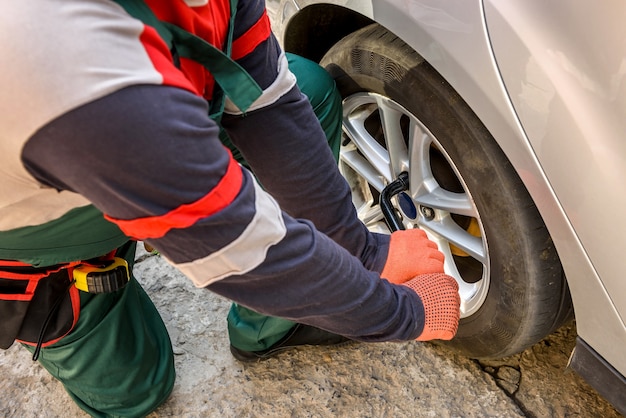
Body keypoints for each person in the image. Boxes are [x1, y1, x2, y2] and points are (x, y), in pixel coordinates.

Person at [0, 0, 461, 417]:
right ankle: (85, 281)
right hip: (36, 232)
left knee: (311, 90)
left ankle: (271, 325)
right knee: (136, 394)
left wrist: (358, 250)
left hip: (125, 135)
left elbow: (270, 104)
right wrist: (407, 314)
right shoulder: (60, 55)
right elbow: (240, 251)